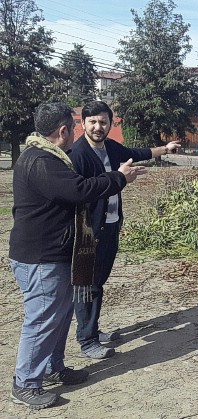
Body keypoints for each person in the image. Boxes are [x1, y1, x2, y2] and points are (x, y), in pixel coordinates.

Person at [9, 102, 145, 409]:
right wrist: (119, 178)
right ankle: (25, 384)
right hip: (40, 258)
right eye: (74, 127)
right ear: (63, 131)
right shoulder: (42, 161)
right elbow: (81, 190)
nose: (78, 133)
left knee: (59, 316)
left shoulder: (46, 156)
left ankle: (52, 367)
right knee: (42, 320)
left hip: (54, 254)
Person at [69, 100, 181, 359]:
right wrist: (119, 177)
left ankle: (93, 330)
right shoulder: (79, 154)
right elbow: (81, 192)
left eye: (103, 122)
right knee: (87, 284)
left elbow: (136, 151)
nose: (98, 127)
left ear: (110, 124)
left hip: (110, 226)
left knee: (99, 282)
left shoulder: (109, 147)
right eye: (93, 122)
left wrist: (165, 148)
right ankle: (87, 340)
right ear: (82, 123)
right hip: (89, 231)